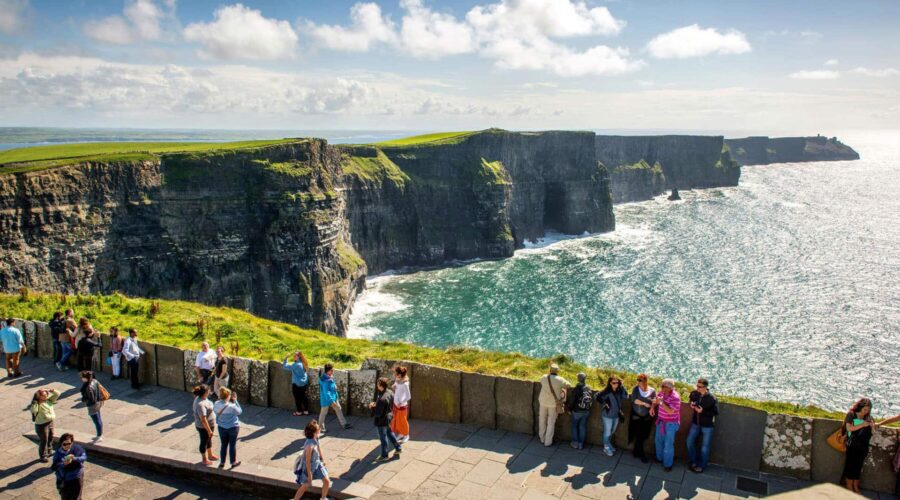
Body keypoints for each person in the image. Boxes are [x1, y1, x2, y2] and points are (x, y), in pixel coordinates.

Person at [842, 398, 877, 493]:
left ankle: (855, 485)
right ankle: (849, 484)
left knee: (859, 465)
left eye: (868, 410)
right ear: (860, 407)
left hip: (863, 446)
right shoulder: (851, 414)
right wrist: (863, 424)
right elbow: (849, 428)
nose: (866, 412)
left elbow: (873, 432)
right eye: (865, 409)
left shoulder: (869, 417)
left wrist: (872, 427)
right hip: (852, 445)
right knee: (850, 464)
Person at [686, 378, 718, 473]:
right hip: (696, 423)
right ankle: (694, 461)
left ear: (706, 387)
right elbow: (691, 399)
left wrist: (702, 411)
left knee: (705, 447)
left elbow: (715, 412)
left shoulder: (712, 398)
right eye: (697, 386)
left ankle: (702, 465)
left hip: (707, 425)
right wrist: (691, 404)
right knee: (689, 441)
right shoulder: (694, 393)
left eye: (700, 387)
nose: (697, 388)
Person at [293, 420, 330, 500]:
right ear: (314, 433)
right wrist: (310, 476)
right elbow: (307, 462)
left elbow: (319, 447)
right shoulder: (309, 446)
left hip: (317, 463)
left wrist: (322, 459)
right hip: (309, 468)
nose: (319, 430)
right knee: (306, 485)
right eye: (318, 430)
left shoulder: (315, 438)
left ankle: (323, 498)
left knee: (326, 481)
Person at [651, 379, 682, 472]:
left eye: (663, 386)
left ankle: (668, 464)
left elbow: (670, 411)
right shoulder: (661, 393)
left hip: (671, 424)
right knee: (658, 441)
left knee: (668, 444)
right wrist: (652, 407)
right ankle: (659, 458)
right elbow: (656, 400)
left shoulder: (675, 398)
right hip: (661, 421)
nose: (661, 388)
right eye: (661, 386)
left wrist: (661, 402)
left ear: (670, 388)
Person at [537, 363, 571, 447]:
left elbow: (540, 381)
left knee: (542, 420)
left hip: (543, 401)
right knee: (551, 422)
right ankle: (548, 442)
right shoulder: (560, 379)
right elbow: (568, 385)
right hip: (553, 404)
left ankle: (542, 438)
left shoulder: (544, 377)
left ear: (550, 370)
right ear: (557, 371)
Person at [370, 376, 402, 461]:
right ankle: (398, 448)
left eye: (377, 384)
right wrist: (377, 405)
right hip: (389, 417)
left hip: (382, 421)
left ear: (380, 385)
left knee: (383, 438)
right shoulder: (390, 392)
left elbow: (378, 413)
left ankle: (384, 455)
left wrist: (372, 407)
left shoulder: (382, 399)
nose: (377, 385)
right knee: (389, 432)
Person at [596, 376, 629, 456]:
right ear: (610, 383)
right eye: (614, 383)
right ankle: (606, 447)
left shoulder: (619, 391)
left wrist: (622, 386)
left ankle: (608, 443)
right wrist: (605, 404)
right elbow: (597, 396)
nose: (616, 384)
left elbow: (626, 397)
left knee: (612, 431)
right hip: (607, 415)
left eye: (617, 383)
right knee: (607, 432)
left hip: (616, 415)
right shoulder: (606, 391)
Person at [628, 374, 656, 463]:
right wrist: (644, 404)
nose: (638, 382)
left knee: (644, 435)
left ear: (645, 381)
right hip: (636, 416)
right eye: (638, 380)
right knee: (639, 435)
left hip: (647, 417)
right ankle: (641, 454)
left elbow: (654, 401)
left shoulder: (652, 390)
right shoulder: (636, 389)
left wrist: (651, 407)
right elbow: (634, 400)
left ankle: (636, 451)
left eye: (640, 380)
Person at [27, 387, 60, 462]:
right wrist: (35, 403)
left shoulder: (49, 401)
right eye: (43, 396)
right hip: (41, 424)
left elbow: (57, 394)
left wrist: (51, 390)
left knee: (51, 436)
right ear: (39, 396)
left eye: (46, 395)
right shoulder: (37, 404)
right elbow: (33, 411)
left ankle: (49, 450)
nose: (45, 397)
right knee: (44, 440)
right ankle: (43, 455)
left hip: (50, 421)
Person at [51, 433, 86, 500]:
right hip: (65, 479)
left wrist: (75, 458)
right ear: (61, 443)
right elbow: (54, 467)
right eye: (64, 444)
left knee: (77, 497)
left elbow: (84, 457)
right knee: (65, 497)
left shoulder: (77, 448)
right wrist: (63, 464)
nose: (67, 446)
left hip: (77, 477)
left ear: (72, 442)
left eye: (69, 443)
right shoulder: (58, 454)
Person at [213, 387, 242, 469]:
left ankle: (222, 462)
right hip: (233, 427)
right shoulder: (232, 406)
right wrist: (236, 400)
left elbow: (215, 411)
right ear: (227, 396)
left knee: (223, 445)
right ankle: (233, 462)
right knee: (232, 445)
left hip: (222, 427)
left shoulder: (216, 404)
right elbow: (239, 411)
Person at [318, 364, 351, 434]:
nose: (333, 371)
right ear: (327, 371)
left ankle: (344, 424)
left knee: (338, 409)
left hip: (333, 397)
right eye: (331, 370)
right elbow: (326, 392)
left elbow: (331, 385)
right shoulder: (325, 381)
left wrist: (334, 386)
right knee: (323, 413)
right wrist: (332, 401)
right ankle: (320, 428)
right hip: (327, 400)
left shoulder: (329, 377)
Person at [192, 384, 218, 465]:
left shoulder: (202, 398)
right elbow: (203, 419)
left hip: (210, 424)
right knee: (204, 441)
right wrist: (209, 430)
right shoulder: (200, 404)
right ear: (205, 392)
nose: (210, 391)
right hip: (204, 427)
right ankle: (204, 459)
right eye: (208, 390)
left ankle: (210, 455)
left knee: (208, 439)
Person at [566, 372, 592, 450]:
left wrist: (569, 409)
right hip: (586, 411)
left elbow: (572, 401)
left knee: (574, 426)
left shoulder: (577, 389)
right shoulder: (588, 387)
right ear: (585, 379)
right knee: (582, 427)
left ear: (578, 379)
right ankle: (581, 444)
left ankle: (575, 443)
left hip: (577, 411)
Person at [79, 371, 106, 442]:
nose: (81, 378)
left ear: (86, 378)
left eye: (82, 377)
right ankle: (99, 434)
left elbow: (91, 399)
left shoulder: (88, 387)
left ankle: (99, 436)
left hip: (92, 405)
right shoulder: (95, 381)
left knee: (96, 420)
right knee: (99, 419)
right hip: (99, 402)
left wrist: (84, 399)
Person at [283, 351, 309, 416]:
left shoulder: (296, 365)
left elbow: (285, 366)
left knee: (297, 398)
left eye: (295, 356)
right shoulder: (303, 363)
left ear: (298, 357)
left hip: (297, 384)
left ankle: (299, 412)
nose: (293, 357)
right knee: (303, 397)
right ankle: (306, 411)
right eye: (293, 356)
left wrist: (286, 358)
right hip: (304, 383)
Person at [391, 365, 411, 443]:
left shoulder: (405, 384)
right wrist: (394, 385)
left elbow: (408, 396)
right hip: (396, 403)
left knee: (403, 421)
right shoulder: (397, 379)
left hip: (401, 405)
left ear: (400, 374)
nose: (394, 375)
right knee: (397, 420)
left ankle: (406, 435)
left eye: (396, 373)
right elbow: (396, 384)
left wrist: (401, 402)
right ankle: (401, 433)